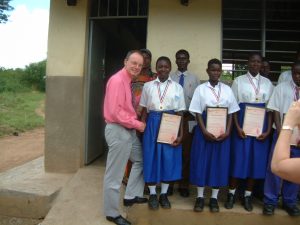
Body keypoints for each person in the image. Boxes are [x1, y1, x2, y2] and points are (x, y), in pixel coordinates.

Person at [189, 58, 240, 212]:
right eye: (213, 70)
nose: (216, 73)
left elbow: (231, 112)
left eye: (218, 70)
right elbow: (197, 111)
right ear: (207, 71)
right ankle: (199, 197)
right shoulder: (200, 89)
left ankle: (213, 198)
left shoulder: (227, 89)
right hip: (204, 128)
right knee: (202, 161)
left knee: (219, 162)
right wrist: (204, 130)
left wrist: (228, 131)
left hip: (223, 129)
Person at [103, 50, 147, 225]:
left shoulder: (127, 81)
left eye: (140, 64)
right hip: (118, 130)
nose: (136, 67)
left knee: (140, 160)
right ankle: (112, 213)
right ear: (125, 61)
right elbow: (115, 112)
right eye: (133, 63)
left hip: (127, 130)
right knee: (114, 175)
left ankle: (130, 196)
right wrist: (138, 124)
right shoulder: (117, 80)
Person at [225, 52, 274, 212]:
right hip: (242, 125)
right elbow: (233, 107)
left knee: (256, 161)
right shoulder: (238, 81)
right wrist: (237, 127)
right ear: (247, 63)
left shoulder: (267, 83)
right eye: (252, 61)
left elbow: (271, 110)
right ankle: (231, 194)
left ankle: (247, 195)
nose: (255, 64)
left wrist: (268, 130)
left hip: (261, 127)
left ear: (261, 64)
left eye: (258, 62)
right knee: (239, 159)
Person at [140, 56, 186, 210]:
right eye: (160, 66)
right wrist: (142, 128)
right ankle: (153, 193)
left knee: (169, 158)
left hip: (170, 123)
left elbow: (180, 113)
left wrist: (181, 134)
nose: (163, 69)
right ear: (156, 68)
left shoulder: (177, 87)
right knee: (151, 157)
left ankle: (164, 194)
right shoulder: (148, 86)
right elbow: (144, 111)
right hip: (152, 123)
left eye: (166, 67)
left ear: (170, 68)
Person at [263, 60, 300, 216]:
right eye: (295, 73)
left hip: (298, 138)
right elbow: (275, 111)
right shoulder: (281, 88)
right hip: (283, 135)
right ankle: (270, 201)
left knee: (295, 168)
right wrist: (280, 132)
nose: (298, 76)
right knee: (275, 168)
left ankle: (289, 201)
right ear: (291, 73)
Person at [123, 49, 155, 186]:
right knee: (131, 148)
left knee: (146, 148)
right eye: (143, 58)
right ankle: (128, 177)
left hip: (149, 118)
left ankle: (145, 180)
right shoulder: (132, 75)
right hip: (132, 117)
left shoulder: (155, 77)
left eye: (148, 58)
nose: (145, 60)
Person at [170, 49, 199, 197]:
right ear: (175, 60)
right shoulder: (170, 77)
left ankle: (183, 184)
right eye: (179, 58)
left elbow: (198, 100)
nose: (181, 61)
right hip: (172, 118)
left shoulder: (194, 78)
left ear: (188, 60)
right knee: (170, 150)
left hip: (188, 118)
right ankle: (168, 183)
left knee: (186, 152)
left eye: (184, 58)